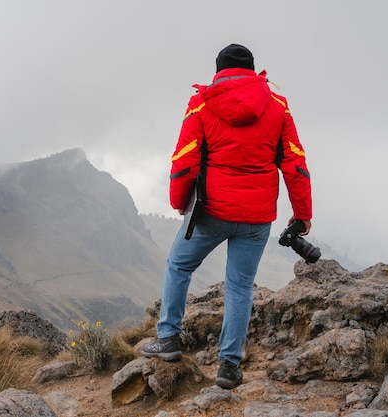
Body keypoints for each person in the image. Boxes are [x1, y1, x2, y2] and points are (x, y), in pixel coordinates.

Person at [140, 44, 313, 389]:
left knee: (178, 266)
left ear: (218, 71)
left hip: (211, 212)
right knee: (240, 287)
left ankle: (169, 339)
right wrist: (302, 215)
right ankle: (229, 366)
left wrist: (179, 202)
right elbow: (294, 163)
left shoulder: (201, 103)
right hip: (257, 217)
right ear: (253, 70)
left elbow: (184, 159)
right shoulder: (277, 105)